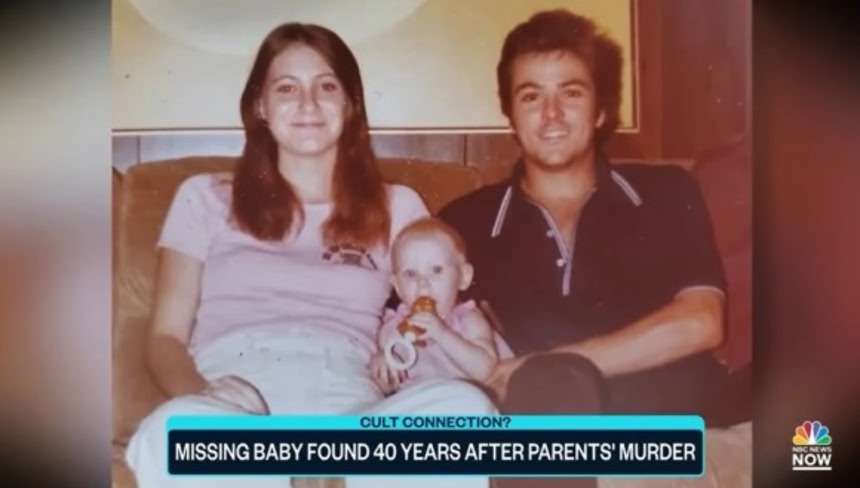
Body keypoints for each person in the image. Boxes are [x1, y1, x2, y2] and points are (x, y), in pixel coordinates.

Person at [124, 22, 496, 488]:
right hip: (234, 405)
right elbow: (165, 338)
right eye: (286, 87)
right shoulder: (204, 196)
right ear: (259, 105)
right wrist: (205, 393)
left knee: (466, 412)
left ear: (350, 104)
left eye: (326, 86)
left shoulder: (398, 207)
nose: (308, 104)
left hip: (351, 409)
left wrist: (401, 362)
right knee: (169, 435)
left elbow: (437, 312)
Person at [438, 4, 749, 442]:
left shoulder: (665, 191)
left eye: (571, 93)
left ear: (601, 109)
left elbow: (702, 322)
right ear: (510, 116)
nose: (551, 114)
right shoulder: (463, 221)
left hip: (676, 424)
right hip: (548, 435)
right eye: (531, 97)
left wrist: (547, 365)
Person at [368, 217, 514, 393]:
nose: (423, 283)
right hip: (422, 404)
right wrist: (382, 364)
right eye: (411, 274)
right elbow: (386, 386)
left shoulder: (468, 320)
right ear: (397, 286)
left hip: (466, 399)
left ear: (464, 277)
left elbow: (485, 371)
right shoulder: (393, 329)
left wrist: (442, 334)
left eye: (436, 270)